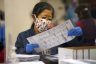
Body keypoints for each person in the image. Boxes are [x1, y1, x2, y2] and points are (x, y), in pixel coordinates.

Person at [15, 2, 82, 55]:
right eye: (44, 17)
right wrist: (25, 50)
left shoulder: (56, 35)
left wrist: (75, 36)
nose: (46, 21)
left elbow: (75, 46)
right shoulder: (23, 36)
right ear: (34, 18)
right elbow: (15, 54)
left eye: (49, 19)